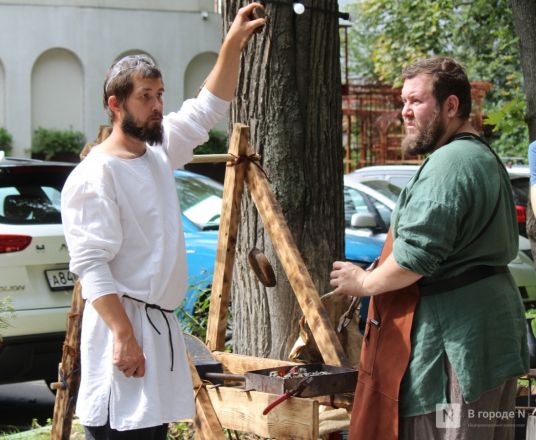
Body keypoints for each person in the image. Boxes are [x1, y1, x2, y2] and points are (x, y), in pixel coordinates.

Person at [61, 4, 265, 438]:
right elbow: (91, 266)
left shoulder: (157, 152)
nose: (157, 106)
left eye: (160, 95)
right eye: (145, 97)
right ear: (115, 105)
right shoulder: (95, 175)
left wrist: (231, 44)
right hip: (124, 329)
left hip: (156, 329)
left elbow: (206, 108)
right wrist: (123, 336)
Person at [331, 57, 528, 439]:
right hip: (487, 335)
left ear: (451, 106)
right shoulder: (478, 155)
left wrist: (362, 283)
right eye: (403, 101)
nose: (405, 112)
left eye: (416, 101)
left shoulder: (451, 162)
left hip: (459, 345)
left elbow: (414, 258)